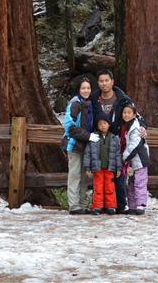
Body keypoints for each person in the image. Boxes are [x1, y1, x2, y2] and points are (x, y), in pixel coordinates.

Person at [91, 69, 133, 211]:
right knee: (100, 176)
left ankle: (120, 205)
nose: (104, 83)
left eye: (106, 80)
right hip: (99, 141)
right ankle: (100, 205)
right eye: (101, 81)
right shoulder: (93, 98)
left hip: (117, 141)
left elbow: (134, 115)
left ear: (112, 82)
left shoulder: (122, 99)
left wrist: (143, 126)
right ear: (98, 83)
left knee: (118, 174)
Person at [61, 77, 95, 214]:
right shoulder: (75, 104)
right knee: (75, 175)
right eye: (83, 88)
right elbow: (70, 127)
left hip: (86, 146)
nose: (86, 90)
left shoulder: (90, 104)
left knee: (84, 176)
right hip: (74, 145)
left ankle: (82, 204)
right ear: (78, 90)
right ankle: (74, 205)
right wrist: (89, 136)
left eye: (88, 88)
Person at [82, 116, 122, 214]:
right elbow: (87, 153)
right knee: (98, 187)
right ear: (97, 126)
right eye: (100, 124)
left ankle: (110, 206)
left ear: (109, 125)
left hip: (110, 168)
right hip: (97, 168)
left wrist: (119, 168)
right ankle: (97, 206)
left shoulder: (114, 138)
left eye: (105, 123)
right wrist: (87, 168)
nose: (103, 126)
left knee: (110, 187)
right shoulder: (93, 137)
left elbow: (117, 154)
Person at [119, 102, 149, 215]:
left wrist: (124, 157)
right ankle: (132, 206)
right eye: (124, 112)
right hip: (131, 161)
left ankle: (140, 205)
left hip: (140, 159)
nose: (126, 115)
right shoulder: (127, 125)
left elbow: (134, 145)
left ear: (134, 114)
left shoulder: (136, 127)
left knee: (139, 182)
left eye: (129, 113)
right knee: (131, 183)